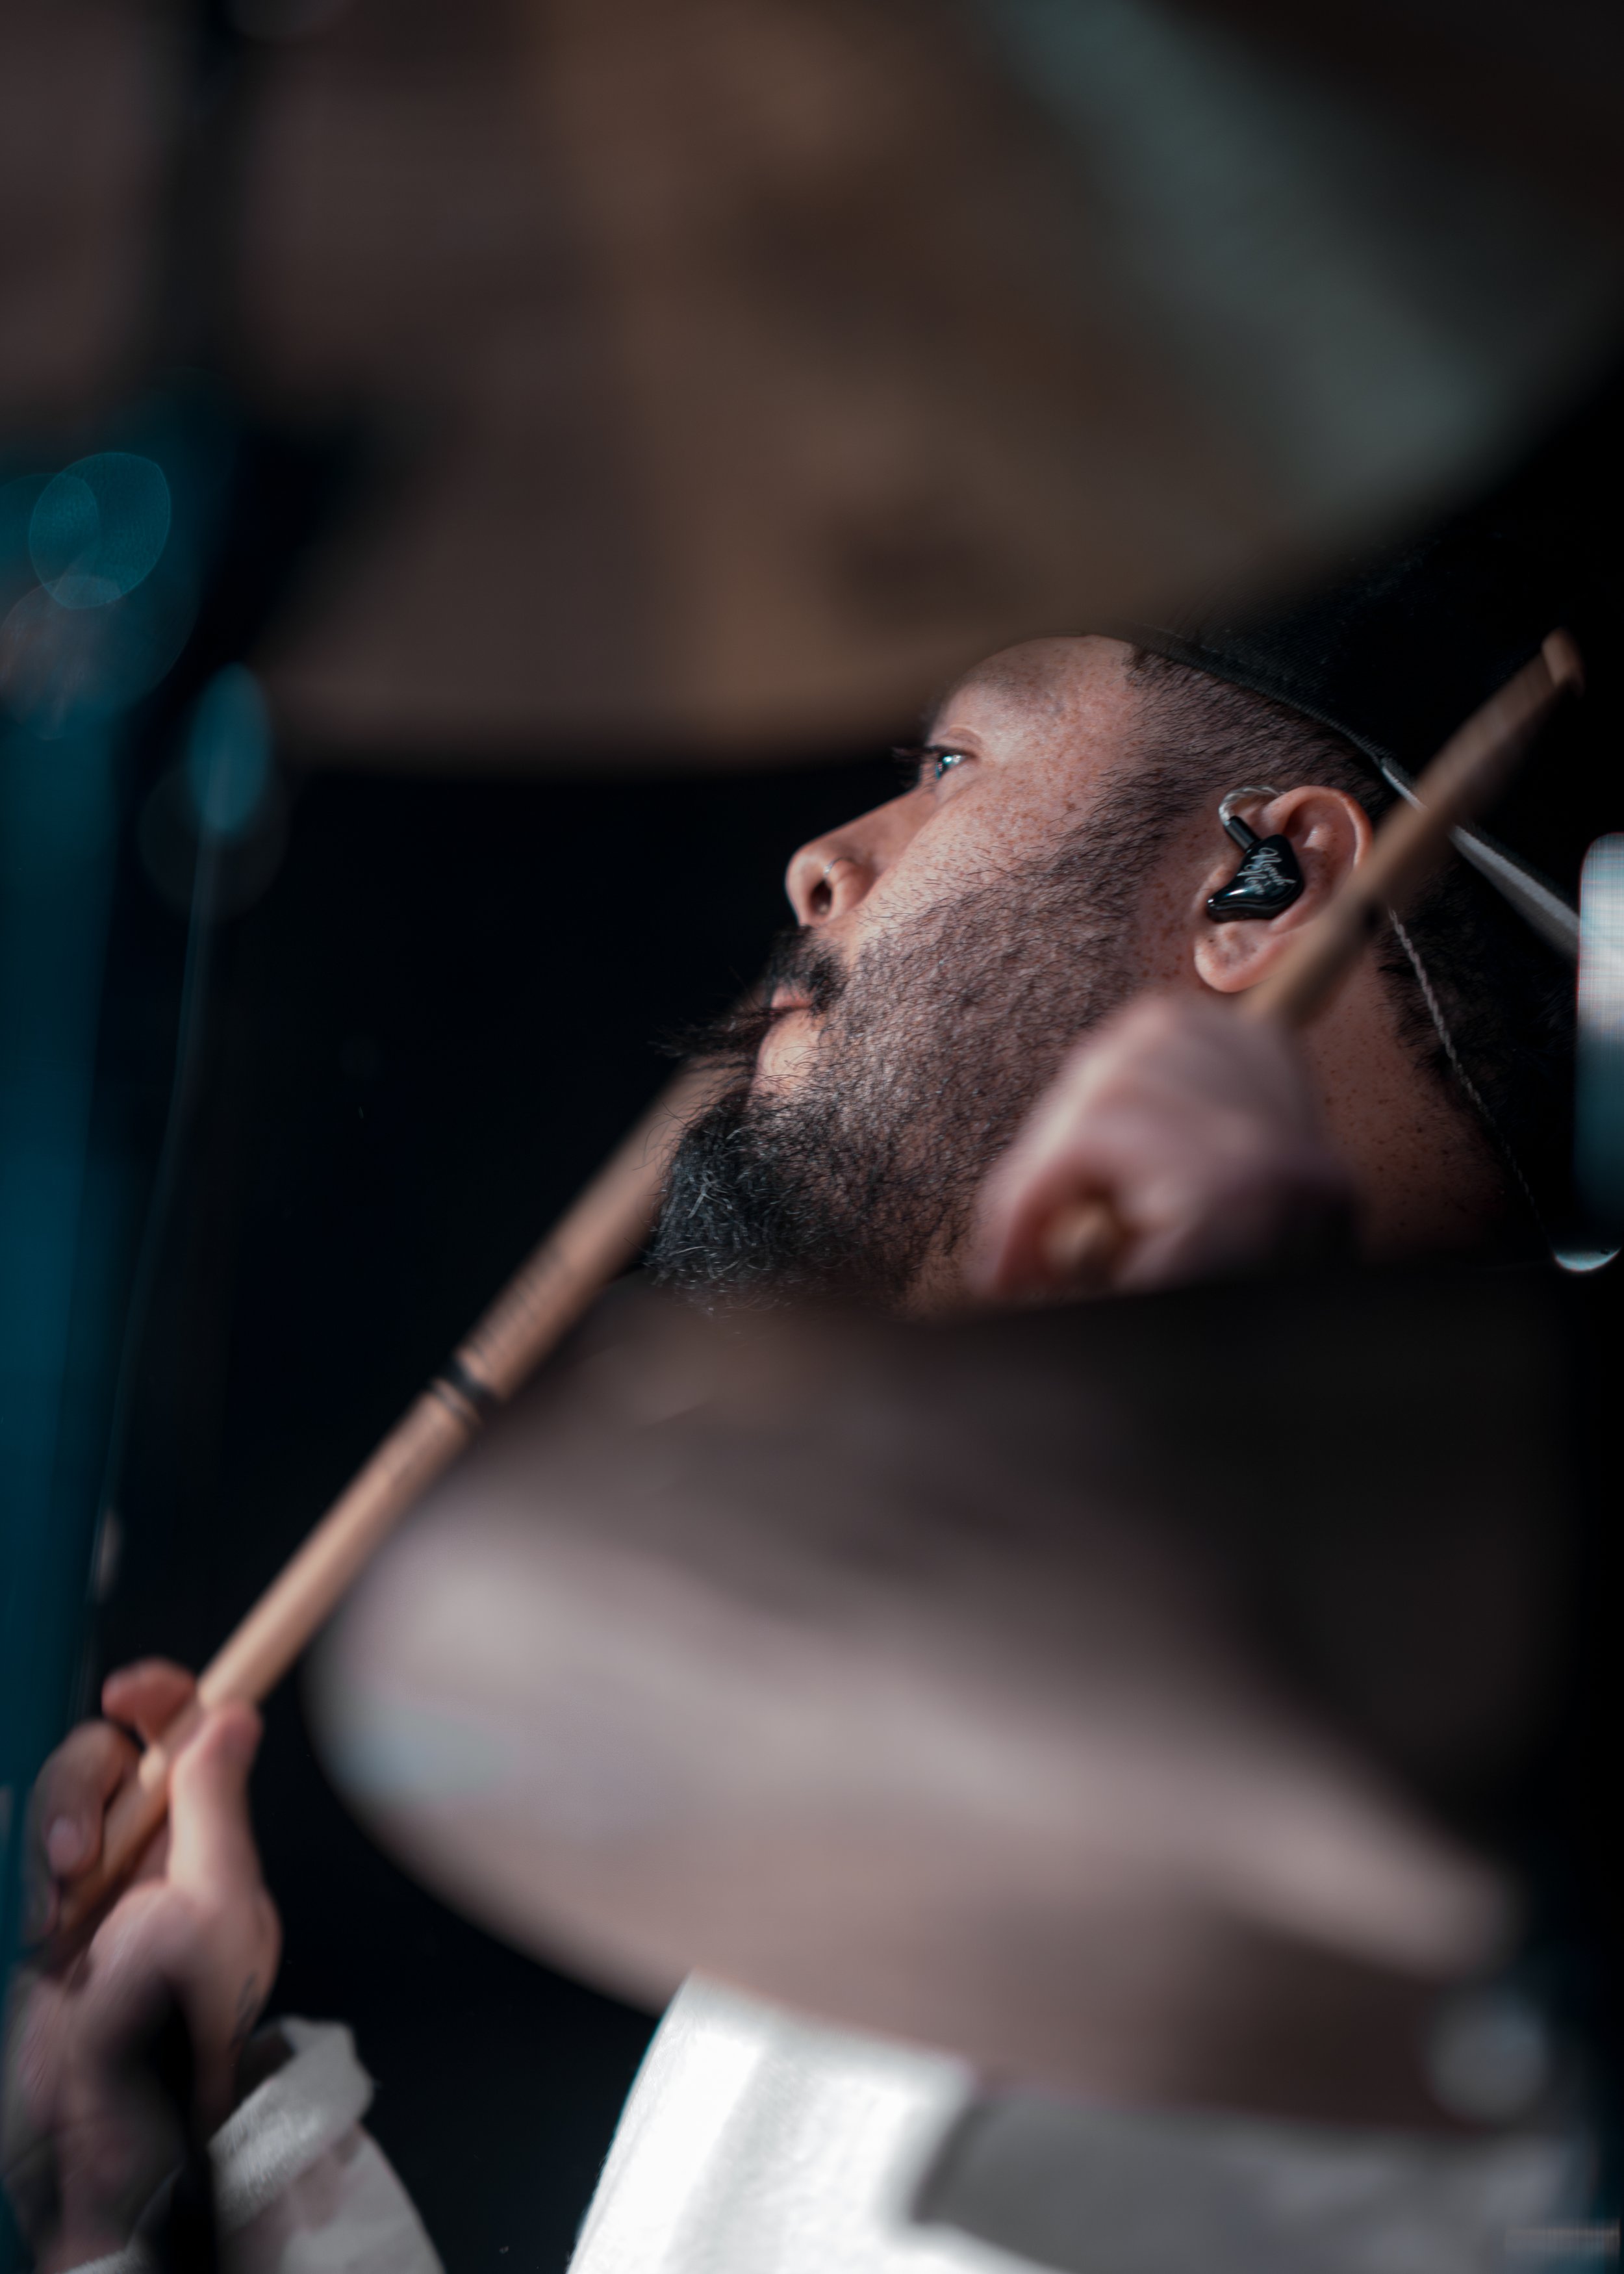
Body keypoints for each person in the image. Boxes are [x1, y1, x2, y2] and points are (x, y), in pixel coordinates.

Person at [8, 407, 1614, 2272]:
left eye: (950, 762)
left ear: (1260, 884)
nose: (822, 863)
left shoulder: (1493, 1717)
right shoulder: (936, 1646)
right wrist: (183, 2157)